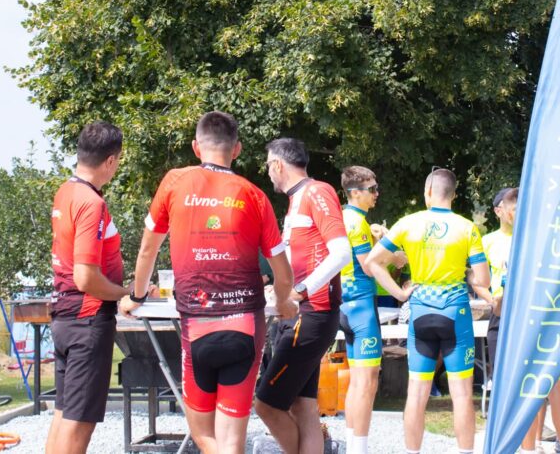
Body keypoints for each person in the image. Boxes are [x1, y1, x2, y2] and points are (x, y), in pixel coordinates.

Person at [119, 112, 297, 454]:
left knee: (202, 435)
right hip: (246, 324)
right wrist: (285, 301)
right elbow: (283, 273)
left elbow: (147, 250)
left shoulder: (174, 182)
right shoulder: (255, 195)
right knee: (232, 441)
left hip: (197, 326)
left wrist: (137, 296)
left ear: (195, 147)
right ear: (237, 149)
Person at [366, 168, 493, 454]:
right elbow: (484, 281)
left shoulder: (408, 223)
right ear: (454, 195)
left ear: (427, 193)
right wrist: (466, 272)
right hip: (455, 313)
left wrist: (399, 293)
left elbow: (372, 262)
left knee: (416, 393)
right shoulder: (467, 227)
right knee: (462, 396)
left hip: (421, 311)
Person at [255, 138, 351, 454]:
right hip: (305, 313)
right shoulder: (297, 198)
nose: (268, 173)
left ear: (277, 165)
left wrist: (299, 291)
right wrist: (281, 288)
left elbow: (341, 253)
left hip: (311, 314)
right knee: (303, 406)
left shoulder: (316, 192)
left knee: (266, 406)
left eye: (268, 166)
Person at [45, 122, 128, 454]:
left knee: (64, 414)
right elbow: (85, 277)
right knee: (79, 424)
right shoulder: (91, 203)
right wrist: (126, 293)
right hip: (87, 320)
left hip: (66, 317)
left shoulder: (66, 191)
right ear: (110, 161)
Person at [339, 165, 401, 454]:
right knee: (367, 383)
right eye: (372, 189)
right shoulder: (357, 222)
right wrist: (394, 256)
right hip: (362, 306)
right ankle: (359, 449)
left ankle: (353, 445)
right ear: (355, 193)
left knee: (357, 382)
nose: (377, 193)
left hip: (346, 305)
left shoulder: (344, 217)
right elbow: (368, 266)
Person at [483, 187, 516, 371]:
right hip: (500, 310)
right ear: (498, 211)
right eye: (510, 205)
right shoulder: (487, 241)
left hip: (526, 310)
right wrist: (492, 301)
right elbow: (476, 279)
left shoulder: (530, 238)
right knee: (499, 369)